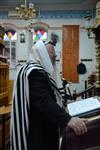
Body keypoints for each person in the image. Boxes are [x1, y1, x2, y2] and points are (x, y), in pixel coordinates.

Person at [10, 39, 88, 150]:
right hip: (38, 127)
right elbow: (43, 100)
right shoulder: (34, 71)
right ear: (42, 54)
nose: (55, 57)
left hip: (45, 123)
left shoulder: (39, 71)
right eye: (52, 54)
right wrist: (67, 119)